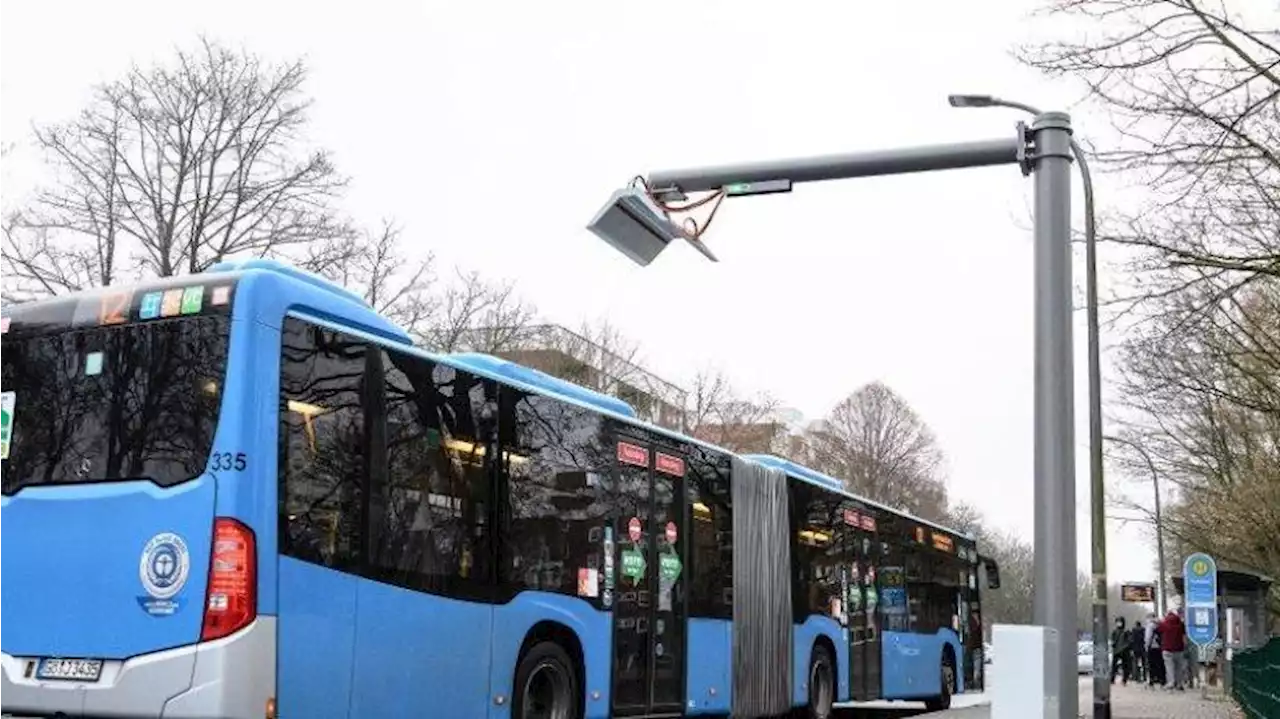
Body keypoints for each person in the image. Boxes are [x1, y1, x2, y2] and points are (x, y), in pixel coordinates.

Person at [1159, 608, 1187, 690]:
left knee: (1169, 667)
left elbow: (1159, 630)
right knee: (1179, 667)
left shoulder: (1164, 623)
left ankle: (1171, 682)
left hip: (1167, 649)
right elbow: (1184, 635)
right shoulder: (1181, 624)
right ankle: (1179, 684)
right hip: (1179, 648)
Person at [1145, 613, 1166, 687]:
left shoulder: (1150, 625)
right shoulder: (1161, 624)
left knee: (1151, 665)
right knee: (1160, 664)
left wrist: (1147, 646)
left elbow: (1148, 637)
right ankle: (1162, 680)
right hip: (1160, 647)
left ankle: (1152, 680)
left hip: (1152, 647)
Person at [1110, 617, 1132, 684]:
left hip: (1124, 651)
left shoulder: (1126, 631)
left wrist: (1126, 647)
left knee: (1125, 666)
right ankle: (1112, 679)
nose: (1118, 623)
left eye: (1120, 622)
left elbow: (1129, 640)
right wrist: (1113, 643)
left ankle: (1124, 679)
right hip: (1116, 650)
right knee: (1114, 666)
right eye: (1117, 622)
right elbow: (1112, 639)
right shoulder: (1114, 631)